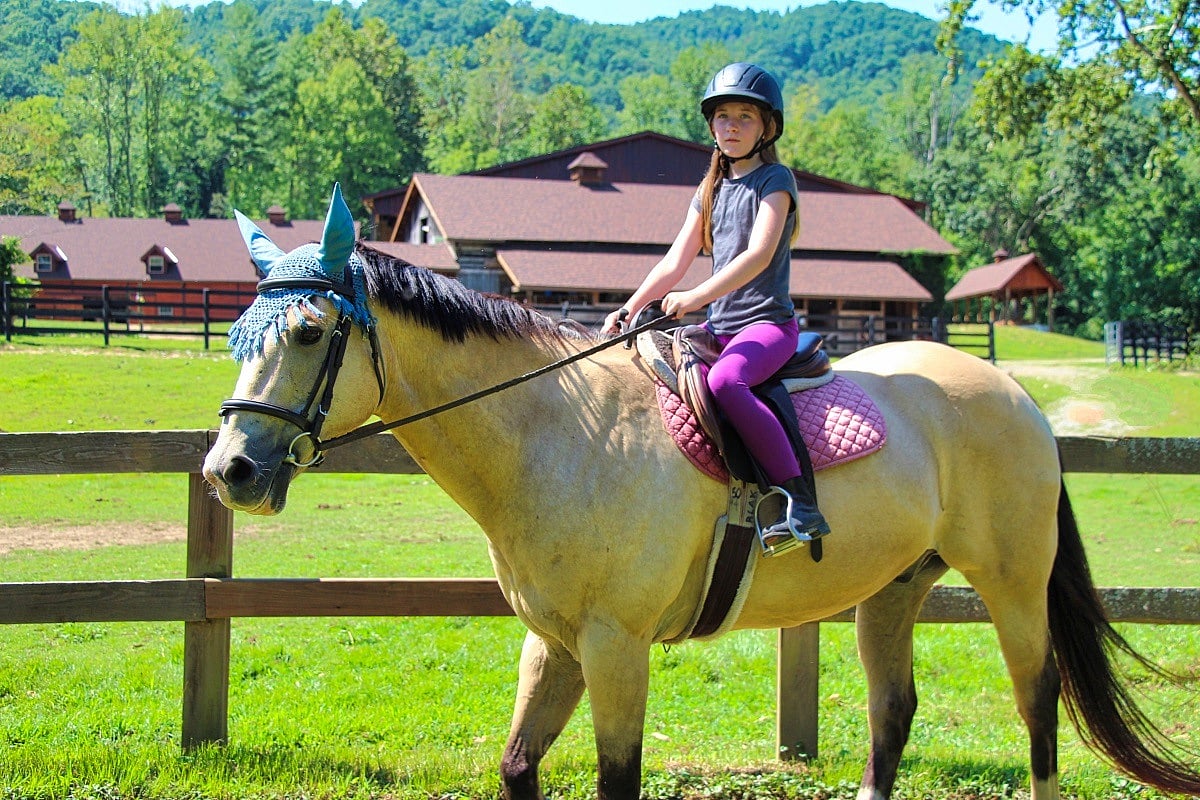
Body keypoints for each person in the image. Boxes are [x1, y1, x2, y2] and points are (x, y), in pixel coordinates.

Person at [602, 62, 830, 555]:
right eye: (723, 116)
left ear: (766, 126)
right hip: (718, 326)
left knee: (728, 382)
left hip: (767, 326)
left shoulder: (775, 180)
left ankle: (798, 501)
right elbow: (674, 261)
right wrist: (630, 306)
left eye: (744, 117)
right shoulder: (709, 191)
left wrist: (695, 297)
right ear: (711, 124)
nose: (731, 126)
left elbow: (758, 255)